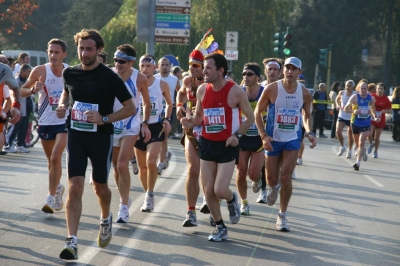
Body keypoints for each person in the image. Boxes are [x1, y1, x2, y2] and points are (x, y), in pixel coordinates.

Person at [56, 29, 136, 260]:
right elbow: (66, 94)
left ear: (99, 50)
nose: (84, 53)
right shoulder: (70, 73)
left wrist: (105, 118)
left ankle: (105, 218)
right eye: (81, 48)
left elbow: (130, 108)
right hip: (76, 136)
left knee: (100, 187)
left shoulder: (109, 77)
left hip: (101, 138)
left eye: (89, 48)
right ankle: (71, 241)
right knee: (75, 187)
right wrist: (63, 106)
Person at [181, 53, 254, 242]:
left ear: (220, 71)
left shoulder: (235, 91)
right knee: (208, 191)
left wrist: (237, 135)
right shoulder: (202, 90)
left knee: (220, 189)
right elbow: (199, 117)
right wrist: (190, 121)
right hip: (206, 143)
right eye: (203, 68)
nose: (203, 71)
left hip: (227, 145)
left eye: (208, 68)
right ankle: (220, 227)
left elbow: (251, 117)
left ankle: (231, 199)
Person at [254, 57, 316, 232]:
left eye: (293, 69)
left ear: (299, 72)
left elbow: (306, 115)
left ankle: (282, 215)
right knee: (272, 179)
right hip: (273, 139)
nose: (289, 71)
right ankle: (273, 188)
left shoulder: (305, 93)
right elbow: (257, 112)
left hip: (293, 138)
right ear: (283, 71)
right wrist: (264, 136)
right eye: (287, 68)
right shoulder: (272, 89)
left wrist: (309, 132)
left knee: (286, 176)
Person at [20, 39, 68, 215]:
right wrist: (33, 90)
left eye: (57, 52)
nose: (53, 55)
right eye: (50, 52)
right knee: (51, 161)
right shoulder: (40, 71)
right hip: (46, 122)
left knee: (56, 157)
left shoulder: (69, 72)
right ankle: (58, 187)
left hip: (64, 122)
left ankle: (50, 196)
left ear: (64, 54)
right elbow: (21, 91)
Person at [111, 44, 150, 223]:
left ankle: (123, 208)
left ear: (131, 62)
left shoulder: (140, 78)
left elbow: (147, 104)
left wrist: (145, 124)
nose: (118, 64)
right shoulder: (109, 75)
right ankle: (125, 198)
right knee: (116, 169)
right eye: (116, 60)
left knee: (121, 164)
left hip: (131, 123)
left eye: (122, 61)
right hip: (112, 123)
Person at [176, 49, 209, 227]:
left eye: (195, 65)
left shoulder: (214, 83)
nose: (192, 68)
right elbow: (181, 93)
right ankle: (191, 212)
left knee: (208, 172)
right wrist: (179, 105)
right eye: (189, 65)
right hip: (191, 130)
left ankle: (211, 205)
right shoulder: (188, 80)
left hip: (211, 131)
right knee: (193, 169)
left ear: (204, 66)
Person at [136, 54, 172, 212]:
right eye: (142, 66)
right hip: (136, 128)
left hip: (155, 126)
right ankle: (147, 194)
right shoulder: (134, 83)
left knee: (151, 162)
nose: (144, 69)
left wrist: (167, 119)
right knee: (142, 167)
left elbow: (170, 103)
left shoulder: (161, 84)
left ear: (154, 68)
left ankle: (149, 194)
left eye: (148, 66)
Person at [235, 62, 265, 216]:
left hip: (259, 138)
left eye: (249, 74)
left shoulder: (265, 92)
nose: (245, 77)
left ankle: (258, 180)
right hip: (242, 137)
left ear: (257, 77)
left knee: (253, 174)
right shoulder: (239, 92)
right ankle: (244, 202)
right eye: (244, 74)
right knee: (240, 172)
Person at [257, 57, 283, 202]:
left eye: (275, 69)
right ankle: (261, 185)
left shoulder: (284, 87)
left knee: (272, 163)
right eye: (270, 69)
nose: (272, 72)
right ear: (265, 71)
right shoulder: (258, 86)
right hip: (259, 127)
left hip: (276, 130)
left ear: (280, 72)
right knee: (260, 161)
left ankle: (268, 187)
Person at [344, 80, 378, 171]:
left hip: (366, 123)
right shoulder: (354, 97)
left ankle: (357, 163)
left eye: (365, 89)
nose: (363, 90)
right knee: (358, 144)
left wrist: (374, 116)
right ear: (359, 89)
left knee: (361, 142)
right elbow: (345, 109)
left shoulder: (371, 98)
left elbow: (373, 109)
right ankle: (362, 152)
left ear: (367, 89)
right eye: (361, 89)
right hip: (355, 122)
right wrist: (354, 111)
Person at [154, 57, 179, 174]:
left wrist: (179, 106)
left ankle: (160, 163)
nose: (164, 67)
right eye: (162, 64)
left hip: (169, 110)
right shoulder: (154, 78)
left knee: (164, 136)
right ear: (158, 66)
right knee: (156, 137)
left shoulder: (174, 79)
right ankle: (166, 154)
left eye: (166, 65)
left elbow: (181, 93)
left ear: (170, 66)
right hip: (156, 110)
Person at [4, 64, 33, 153]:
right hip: (18, 106)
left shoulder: (27, 80)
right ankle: (7, 144)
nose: (29, 73)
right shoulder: (16, 80)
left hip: (27, 106)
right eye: (28, 71)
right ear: (23, 71)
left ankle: (20, 144)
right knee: (15, 126)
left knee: (23, 126)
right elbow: (13, 93)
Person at [366, 82, 392, 158]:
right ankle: (371, 144)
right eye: (378, 88)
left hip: (381, 119)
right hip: (372, 118)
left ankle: (376, 151)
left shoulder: (386, 99)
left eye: (381, 89)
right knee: (369, 134)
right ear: (376, 89)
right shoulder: (372, 96)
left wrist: (385, 111)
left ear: (384, 90)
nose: (380, 90)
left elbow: (390, 110)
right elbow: (367, 105)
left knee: (377, 138)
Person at [335, 80, 357, 158]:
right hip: (342, 115)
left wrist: (354, 110)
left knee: (350, 135)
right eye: (346, 85)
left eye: (349, 86)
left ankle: (350, 150)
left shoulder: (355, 94)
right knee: (338, 131)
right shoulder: (342, 92)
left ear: (353, 87)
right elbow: (337, 100)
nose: (347, 87)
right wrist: (337, 105)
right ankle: (342, 146)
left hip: (351, 116)